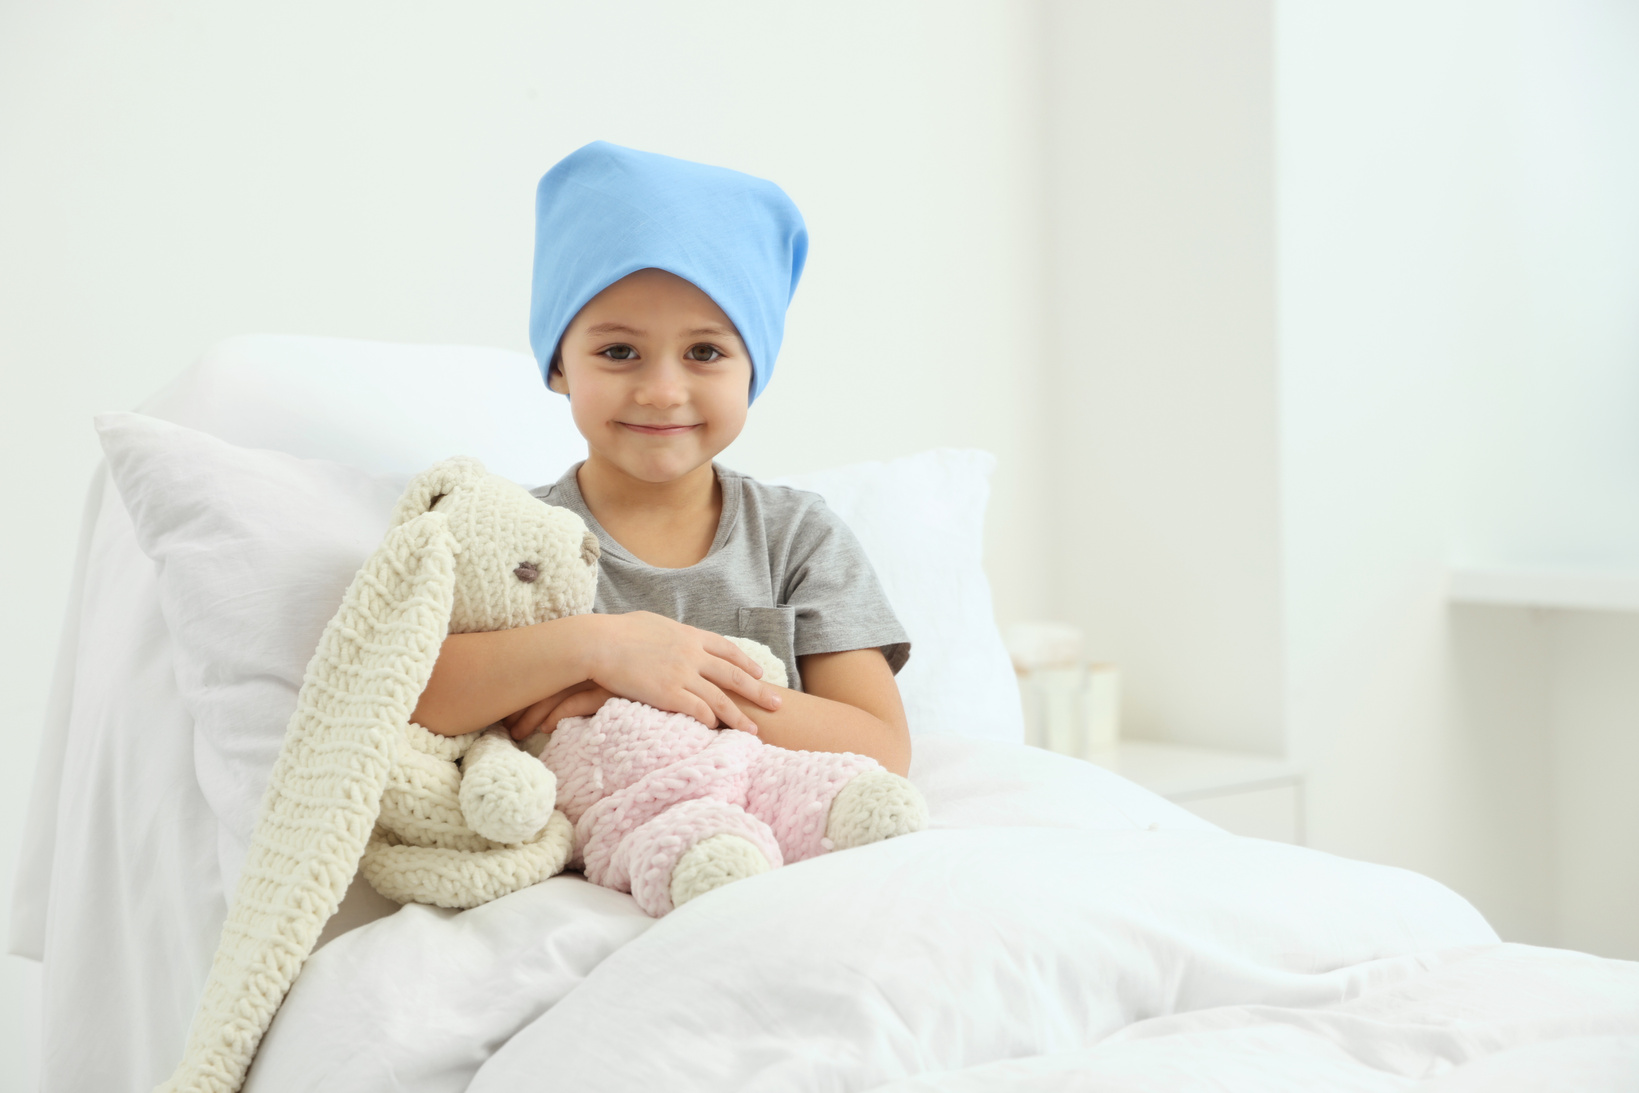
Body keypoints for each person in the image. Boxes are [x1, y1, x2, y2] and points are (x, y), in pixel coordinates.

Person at [411, 142, 911, 776]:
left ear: (754, 368)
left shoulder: (797, 539)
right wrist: (599, 646)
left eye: (704, 352)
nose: (662, 391)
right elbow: (408, 695)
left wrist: (655, 687)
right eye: (619, 352)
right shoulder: (508, 535)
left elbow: (882, 747)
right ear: (560, 365)